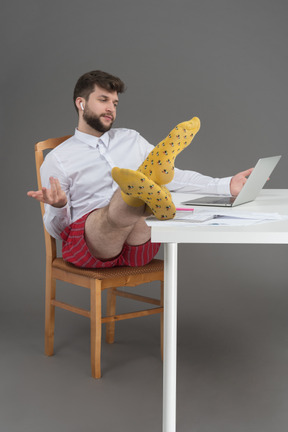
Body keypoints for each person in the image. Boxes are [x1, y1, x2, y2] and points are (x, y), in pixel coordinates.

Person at [27, 70, 252, 269]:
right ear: (81, 103)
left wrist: (226, 184)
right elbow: (57, 232)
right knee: (120, 202)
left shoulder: (130, 138)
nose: (110, 109)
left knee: (158, 177)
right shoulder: (58, 158)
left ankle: (146, 187)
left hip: (137, 245)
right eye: (103, 100)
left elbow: (177, 177)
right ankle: (140, 192)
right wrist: (59, 206)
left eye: (114, 103)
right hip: (90, 247)